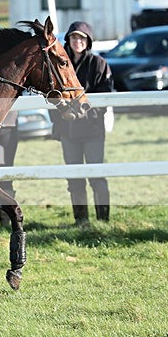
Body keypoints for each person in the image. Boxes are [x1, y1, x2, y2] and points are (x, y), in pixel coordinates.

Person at [50, 21, 114, 226]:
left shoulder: (99, 64)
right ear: (68, 40)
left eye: (82, 38)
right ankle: (81, 220)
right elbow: (52, 95)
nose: (78, 41)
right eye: (74, 37)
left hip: (93, 130)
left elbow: (106, 97)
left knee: (96, 175)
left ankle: (103, 220)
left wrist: (82, 114)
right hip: (68, 131)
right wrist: (61, 118)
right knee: (74, 178)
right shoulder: (60, 64)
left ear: (88, 41)